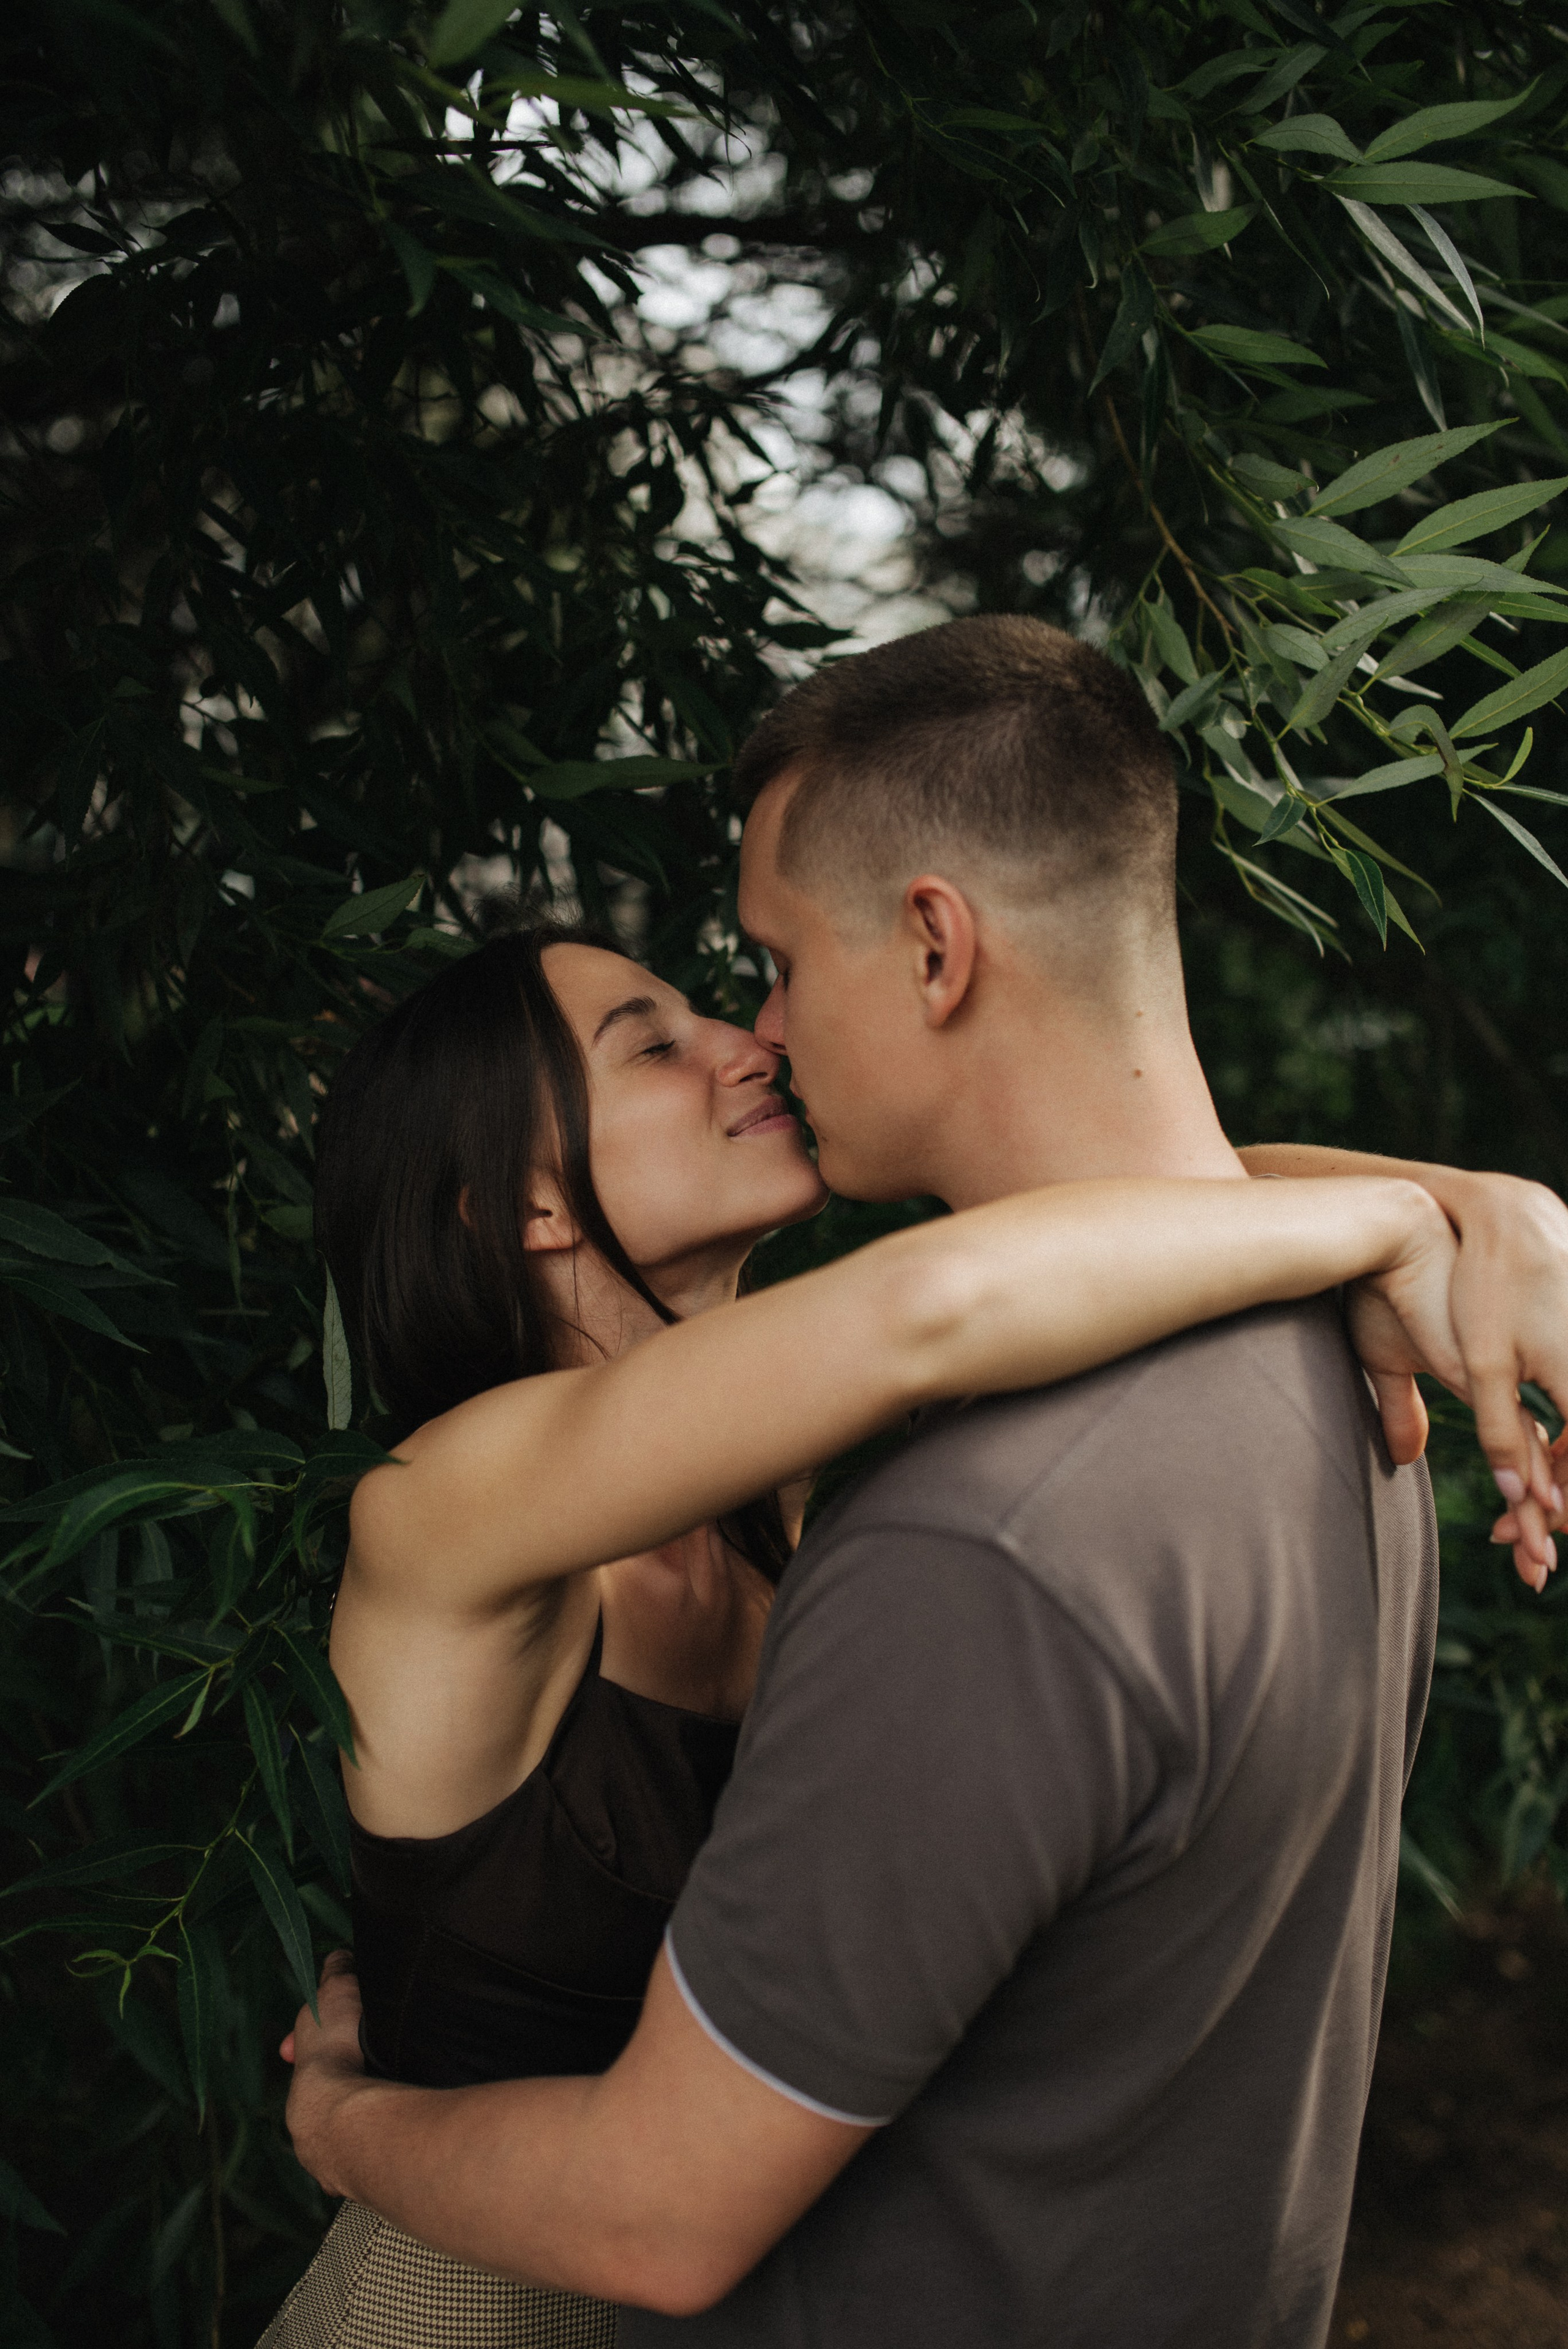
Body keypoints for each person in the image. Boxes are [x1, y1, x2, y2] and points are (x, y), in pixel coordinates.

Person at [281, 617, 1568, 2349]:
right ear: (516, 1203)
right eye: (653, 1044)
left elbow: (1089, 1227)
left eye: (751, 978)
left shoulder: (782, 1483)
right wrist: (1411, 1215)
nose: (750, 1034)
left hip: (688, 2234)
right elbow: (948, 1298)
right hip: (467, 2284)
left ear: (936, 946)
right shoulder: (448, 1505)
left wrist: (1482, 1205)